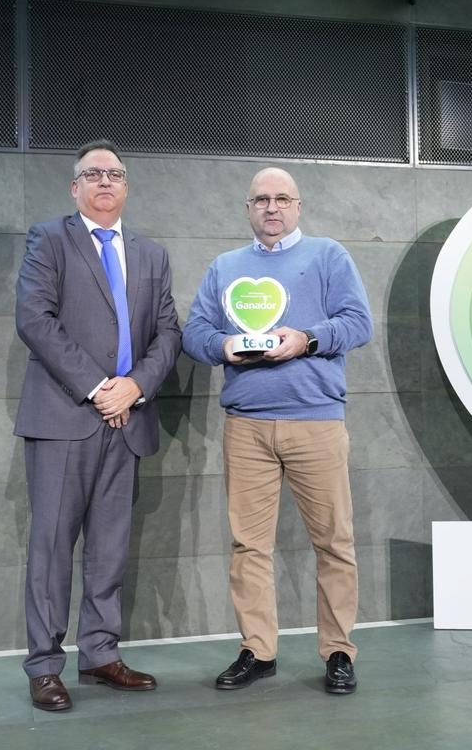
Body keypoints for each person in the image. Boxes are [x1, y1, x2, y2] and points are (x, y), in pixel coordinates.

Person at [182, 167, 373, 695]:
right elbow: (194, 332)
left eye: (282, 198)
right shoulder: (225, 267)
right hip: (246, 426)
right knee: (249, 547)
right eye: (261, 199)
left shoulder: (329, 256)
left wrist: (307, 339)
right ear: (248, 209)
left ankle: (338, 651)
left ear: (298, 206)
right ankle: (257, 650)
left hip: (316, 421)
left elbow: (359, 323)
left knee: (334, 543)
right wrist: (223, 346)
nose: (272, 207)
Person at [13, 139, 181, 711]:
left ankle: (101, 654)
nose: (105, 181)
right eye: (93, 174)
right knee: (53, 547)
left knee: (109, 549)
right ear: (75, 187)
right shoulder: (50, 239)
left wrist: (135, 387)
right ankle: (44, 666)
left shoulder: (152, 254)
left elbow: (168, 333)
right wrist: (99, 387)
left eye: (114, 173)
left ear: (126, 185)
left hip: (128, 420)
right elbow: (35, 319)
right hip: (65, 418)